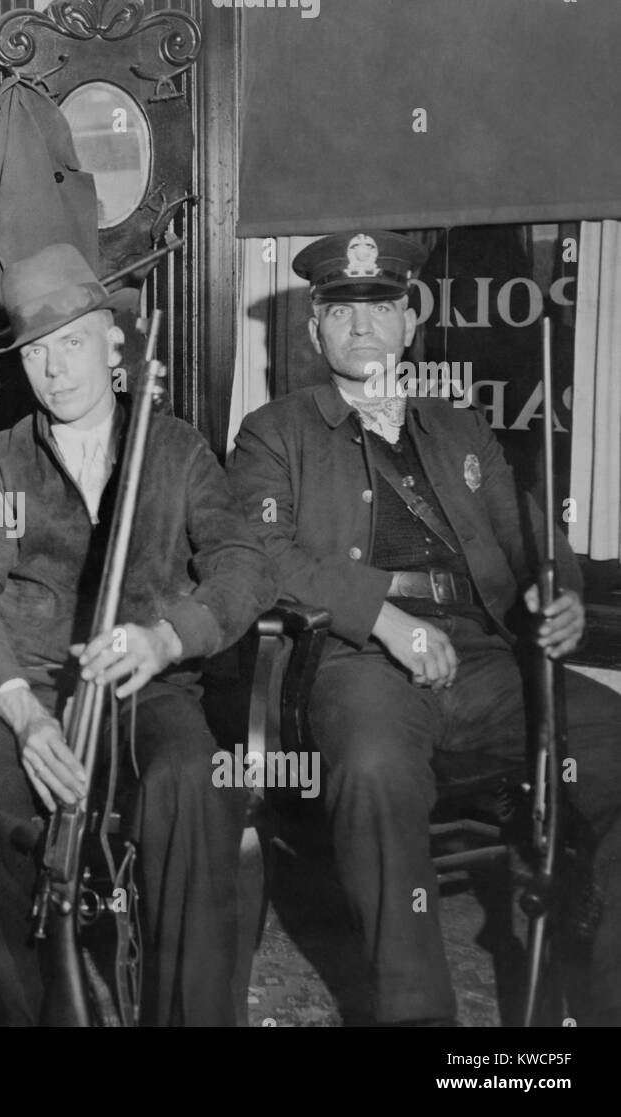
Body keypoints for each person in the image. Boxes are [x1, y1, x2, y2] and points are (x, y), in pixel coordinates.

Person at [227, 230, 621, 1026]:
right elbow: (261, 551)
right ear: (314, 331)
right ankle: (419, 1018)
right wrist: (385, 618)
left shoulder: (460, 425)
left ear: (410, 321)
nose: (362, 326)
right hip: (353, 661)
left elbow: (530, 536)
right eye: (341, 310)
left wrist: (562, 590)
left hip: (484, 658)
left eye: (380, 307)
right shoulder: (275, 432)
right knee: (374, 768)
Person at [0, 244, 277, 1026]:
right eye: (37, 352)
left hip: (144, 687)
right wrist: (20, 706)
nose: (56, 369)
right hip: (31, 687)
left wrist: (169, 639)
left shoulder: (177, 449)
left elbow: (244, 565)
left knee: (192, 779)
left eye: (72, 342)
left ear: (113, 342)